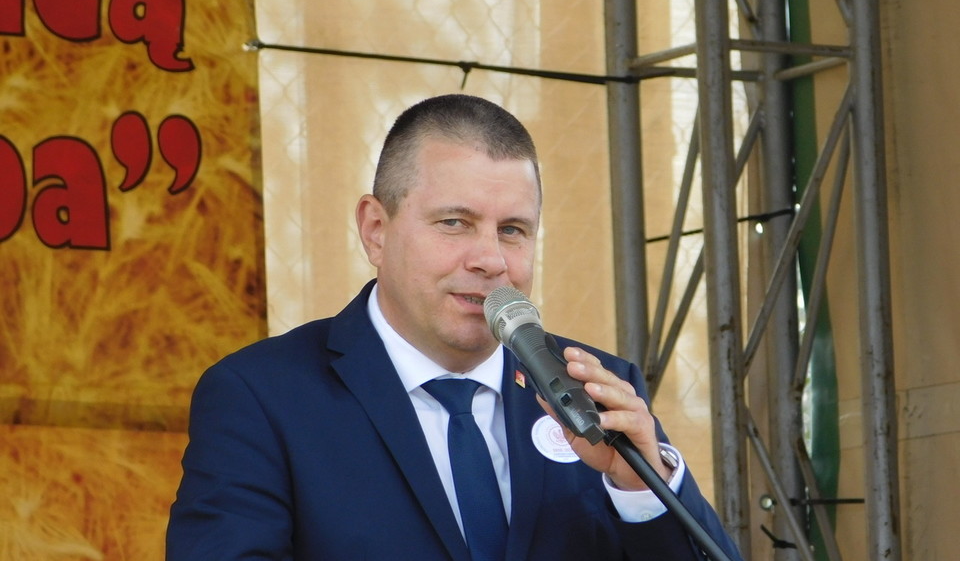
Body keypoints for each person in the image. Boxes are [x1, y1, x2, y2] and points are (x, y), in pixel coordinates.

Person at [166, 94, 744, 561]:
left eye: (513, 230)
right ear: (375, 230)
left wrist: (640, 488)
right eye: (454, 223)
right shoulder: (263, 397)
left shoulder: (595, 390)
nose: (489, 259)